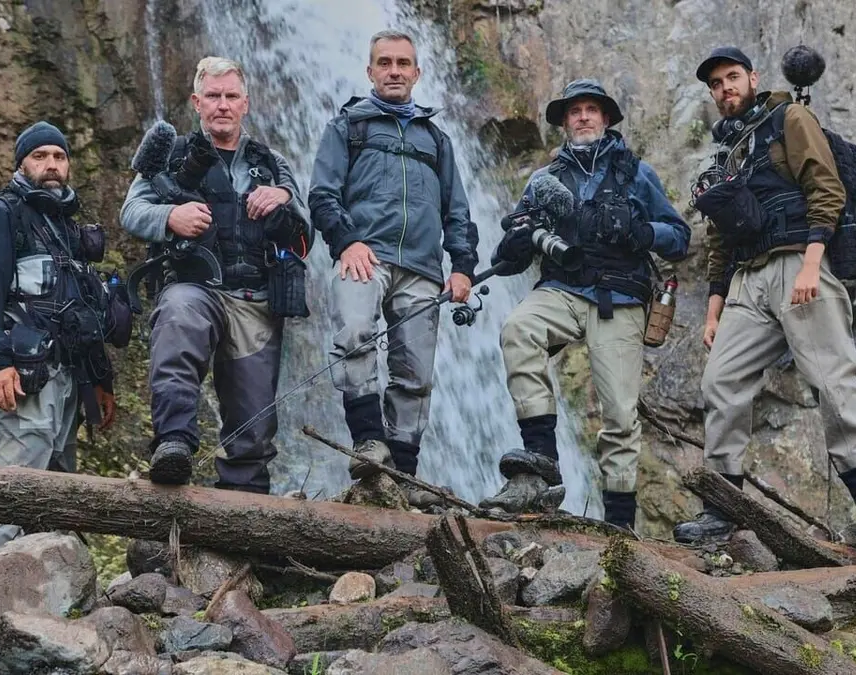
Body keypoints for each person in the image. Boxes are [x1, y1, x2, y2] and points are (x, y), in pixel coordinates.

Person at [674, 47, 856, 545]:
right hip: (747, 280)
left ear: (752, 78)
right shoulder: (726, 151)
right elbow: (719, 237)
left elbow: (826, 187)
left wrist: (813, 263)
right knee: (720, 381)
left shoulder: (790, 118)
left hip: (801, 261)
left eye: (732, 77)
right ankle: (721, 509)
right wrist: (714, 309)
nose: (725, 88)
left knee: (831, 376)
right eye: (716, 84)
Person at [479, 79, 691, 529]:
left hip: (620, 298)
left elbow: (679, 237)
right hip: (562, 289)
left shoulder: (637, 173)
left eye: (591, 109)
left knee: (620, 415)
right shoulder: (545, 180)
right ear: (564, 123)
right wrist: (517, 242)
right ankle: (541, 459)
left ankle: (620, 526)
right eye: (574, 111)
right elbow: (510, 254)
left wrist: (641, 231)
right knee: (518, 327)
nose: (583, 117)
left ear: (606, 118)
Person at [119, 57, 312, 491]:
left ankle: (245, 504)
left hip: (255, 298)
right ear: (197, 102)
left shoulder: (272, 162)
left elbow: (306, 231)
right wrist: (170, 216)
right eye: (213, 96)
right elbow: (131, 211)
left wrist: (283, 199)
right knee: (178, 317)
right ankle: (173, 444)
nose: (222, 105)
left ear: (245, 103)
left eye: (230, 96)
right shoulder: (171, 156)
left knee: (254, 422)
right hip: (195, 286)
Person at [308, 30, 479, 506]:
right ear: (370, 71)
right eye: (385, 63)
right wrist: (347, 242)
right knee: (354, 333)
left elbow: (458, 211)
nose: (394, 71)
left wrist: (463, 266)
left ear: (417, 73)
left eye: (403, 63)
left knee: (416, 372)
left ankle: (404, 475)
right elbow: (322, 195)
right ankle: (368, 442)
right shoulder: (348, 127)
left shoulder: (437, 139)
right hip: (364, 255)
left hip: (423, 267)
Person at [0, 121, 118, 549]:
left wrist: (100, 380)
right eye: (40, 156)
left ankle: (54, 585)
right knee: (17, 493)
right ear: (21, 164)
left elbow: (81, 311)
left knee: (57, 496)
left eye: (59, 156)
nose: (51, 164)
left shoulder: (65, 228)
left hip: (68, 379)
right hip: (25, 378)